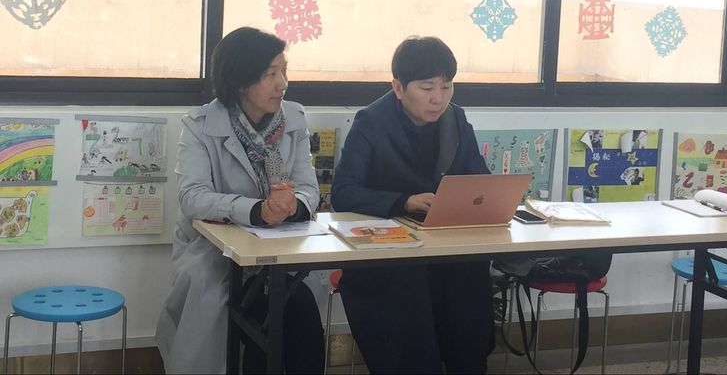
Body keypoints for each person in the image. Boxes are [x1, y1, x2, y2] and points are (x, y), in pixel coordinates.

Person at [155, 27, 324, 375]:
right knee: (242, 313)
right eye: (271, 74)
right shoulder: (200, 125)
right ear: (241, 81)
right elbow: (193, 197)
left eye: (284, 71)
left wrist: (294, 205)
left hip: (278, 251)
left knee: (299, 310)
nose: (282, 84)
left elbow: (309, 187)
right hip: (215, 253)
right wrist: (256, 211)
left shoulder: (293, 119)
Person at [330, 36, 494, 374]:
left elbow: (479, 179)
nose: (438, 98)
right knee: (409, 286)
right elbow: (343, 192)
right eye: (427, 88)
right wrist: (403, 201)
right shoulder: (371, 122)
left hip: (444, 247)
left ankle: (468, 363)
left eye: (446, 87)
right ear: (398, 88)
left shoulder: (456, 120)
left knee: (470, 276)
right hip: (388, 255)